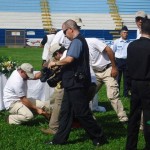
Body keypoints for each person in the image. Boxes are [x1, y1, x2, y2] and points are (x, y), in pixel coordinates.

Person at [46, 20, 107, 146]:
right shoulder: (78, 41)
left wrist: (54, 63)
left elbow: (69, 59)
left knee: (82, 113)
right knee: (66, 112)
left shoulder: (77, 41)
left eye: (64, 31)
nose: (64, 34)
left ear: (71, 29)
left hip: (76, 84)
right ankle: (59, 140)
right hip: (72, 83)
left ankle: (99, 137)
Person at [86, 37, 128, 123]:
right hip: (95, 72)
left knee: (112, 95)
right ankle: (88, 118)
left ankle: (123, 118)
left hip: (107, 70)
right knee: (87, 95)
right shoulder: (77, 47)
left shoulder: (92, 41)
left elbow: (109, 50)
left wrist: (114, 67)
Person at [126, 19, 150, 150]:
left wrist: (129, 85)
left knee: (133, 116)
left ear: (141, 30)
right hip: (147, 85)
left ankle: (130, 146)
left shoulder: (132, 45)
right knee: (148, 118)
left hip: (135, 84)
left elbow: (128, 68)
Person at [112, 26, 130, 97]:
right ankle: (117, 93)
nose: (126, 34)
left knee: (126, 79)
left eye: (127, 33)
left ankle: (125, 94)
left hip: (126, 61)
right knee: (118, 78)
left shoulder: (129, 42)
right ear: (121, 33)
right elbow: (113, 52)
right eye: (124, 32)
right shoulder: (116, 42)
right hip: (118, 61)